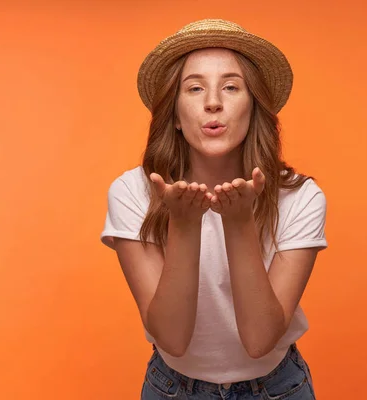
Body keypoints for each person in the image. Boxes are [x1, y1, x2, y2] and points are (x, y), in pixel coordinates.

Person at [101, 19, 328, 399]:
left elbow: (259, 340)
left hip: (277, 388)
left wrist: (238, 222)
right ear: (173, 115)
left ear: (254, 108)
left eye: (231, 87)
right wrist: (184, 225)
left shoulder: (301, 196)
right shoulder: (131, 192)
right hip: (172, 388)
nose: (213, 102)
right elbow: (171, 338)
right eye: (194, 88)